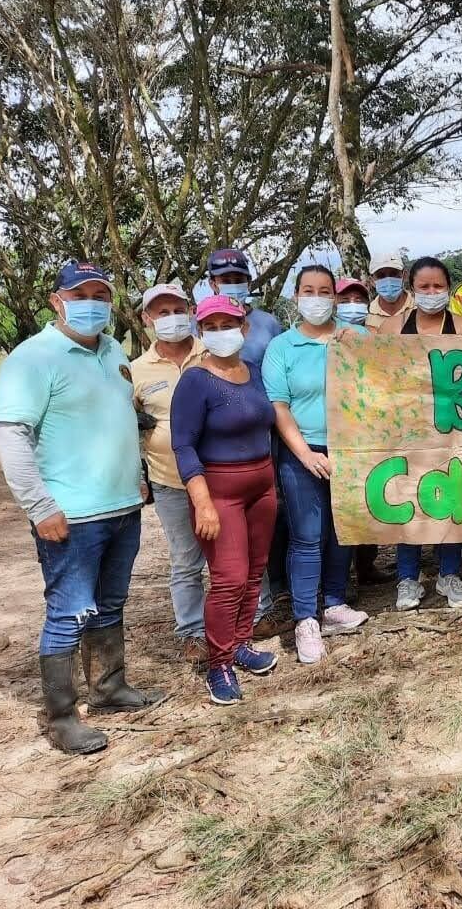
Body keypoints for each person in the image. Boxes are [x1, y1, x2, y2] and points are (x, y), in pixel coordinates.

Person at [0, 260, 164, 755]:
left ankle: (110, 687)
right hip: (69, 515)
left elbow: (118, 422)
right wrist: (39, 505)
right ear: (57, 300)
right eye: (81, 293)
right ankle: (62, 716)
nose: (93, 303)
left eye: (101, 295)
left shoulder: (113, 352)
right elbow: (12, 438)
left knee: (110, 605)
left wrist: (136, 478)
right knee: (69, 612)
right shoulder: (32, 359)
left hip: (121, 508)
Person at [171, 295, 279, 704]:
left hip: (262, 485)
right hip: (220, 491)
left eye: (227, 324)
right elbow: (183, 446)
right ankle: (218, 664)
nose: (221, 333)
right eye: (211, 327)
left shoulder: (251, 372)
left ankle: (241, 643)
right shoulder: (195, 381)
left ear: (244, 328)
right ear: (201, 332)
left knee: (254, 572)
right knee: (229, 577)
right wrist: (202, 502)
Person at [262, 265, 370, 663]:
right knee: (308, 535)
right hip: (302, 450)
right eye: (309, 290)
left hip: (352, 449)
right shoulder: (282, 347)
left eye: (326, 291)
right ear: (296, 296)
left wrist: (357, 347)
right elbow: (279, 406)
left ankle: (335, 604)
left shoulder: (356, 336)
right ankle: (305, 618)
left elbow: (384, 383)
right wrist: (304, 453)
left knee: (344, 529)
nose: (318, 298)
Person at [380, 257, 462, 609]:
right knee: (410, 501)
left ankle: (449, 574)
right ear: (411, 290)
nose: (432, 293)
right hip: (407, 434)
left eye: (439, 287)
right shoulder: (391, 330)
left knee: (450, 500)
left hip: (453, 431)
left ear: (448, 289)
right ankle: (407, 578)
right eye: (424, 287)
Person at [205, 246, 287, 639]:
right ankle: (221, 640)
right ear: (211, 284)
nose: (233, 286)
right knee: (228, 555)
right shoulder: (197, 331)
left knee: (265, 536)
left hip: (266, 447)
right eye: (225, 280)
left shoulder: (270, 325)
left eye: (240, 279)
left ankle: (263, 611)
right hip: (219, 464)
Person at [131, 282, 209, 666]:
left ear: (191, 310)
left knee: (233, 554)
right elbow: (130, 425)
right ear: (147, 319)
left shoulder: (212, 352)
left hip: (220, 478)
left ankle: (251, 618)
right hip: (169, 480)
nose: (171, 318)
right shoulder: (135, 371)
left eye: (177, 309)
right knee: (184, 560)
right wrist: (137, 474)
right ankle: (193, 632)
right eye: (161, 313)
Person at [336, 276, 387, 585]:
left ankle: (366, 567)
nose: (352, 305)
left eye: (358, 298)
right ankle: (339, 581)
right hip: (337, 433)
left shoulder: (376, 337)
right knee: (342, 508)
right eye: (344, 300)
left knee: (365, 498)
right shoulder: (329, 338)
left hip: (371, 430)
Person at [365, 250, 412, 331]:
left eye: (393, 274)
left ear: (404, 276)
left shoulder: (419, 307)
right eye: (381, 276)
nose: (388, 280)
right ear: (372, 281)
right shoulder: (366, 313)